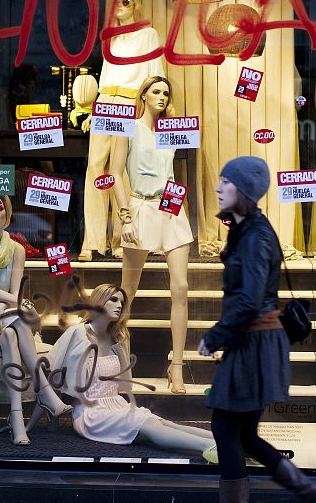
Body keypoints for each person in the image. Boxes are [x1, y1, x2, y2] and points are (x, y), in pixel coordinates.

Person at [198, 157, 316, 503]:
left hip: (254, 341)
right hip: (253, 340)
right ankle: (310, 493)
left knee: (227, 428)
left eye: (226, 182)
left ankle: (307, 492)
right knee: (243, 433)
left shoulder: (256, 237)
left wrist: (214, 337)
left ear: (243, 190)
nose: (218, 187)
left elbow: (249, 299)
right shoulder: (247, 229)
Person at [48, 283, 217, 462]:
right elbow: (51, 372)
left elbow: (125, 384)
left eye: (121, 302)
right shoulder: (77, 333)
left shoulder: (118, 336)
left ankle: (223, 441)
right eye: (113, 300)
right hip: (91, 413)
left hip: (117, 404)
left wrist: (121, 350)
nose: (119, 305)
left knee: (162, 422)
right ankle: (208, 448)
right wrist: (50, 416)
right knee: (150, 426)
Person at [0, 194, 72, 445]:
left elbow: (15, 293)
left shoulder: (17, 249)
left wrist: (14, 303)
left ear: (6, 215)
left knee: (10, 333)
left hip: (4, 316)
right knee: (15, 317)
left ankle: (17, 420)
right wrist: (17, 304)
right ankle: (45, 392)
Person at [108, 75, 193, 394]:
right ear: (143, 95)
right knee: (127, 292)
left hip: (169, 206)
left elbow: (173, 172)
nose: (161, 96)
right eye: (155, 91)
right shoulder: (127, 128)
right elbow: (114, 173)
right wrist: (124, 215)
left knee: (181, 286)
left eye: (166, 92)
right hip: (139, 206)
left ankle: (178, 366)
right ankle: (120, 359)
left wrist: (178, 202)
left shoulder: (171, 131)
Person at [79, 0, 166, 261]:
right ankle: (92, 240)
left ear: (136, 6)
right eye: (116, 0)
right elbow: (105, 77)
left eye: (126, 1)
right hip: (106, 101)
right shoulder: (111, 38)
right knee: (95, 167)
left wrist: (151, 111)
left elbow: (156, 74)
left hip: (130, 102)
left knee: (123, 172)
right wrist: (94, 110)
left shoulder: (148, 35)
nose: (119, 5)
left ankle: (120, 238)